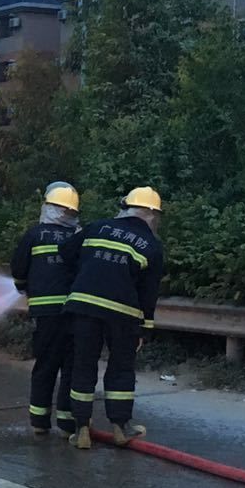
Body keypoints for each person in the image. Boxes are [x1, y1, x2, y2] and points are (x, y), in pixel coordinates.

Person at [60, 186, 165, 450]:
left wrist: (86, 270)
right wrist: (145, 328)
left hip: (84, 308)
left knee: (83, 366)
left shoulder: (97, 227)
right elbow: (149, 293)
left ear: (125, 207)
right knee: (121, 368)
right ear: (152, 215)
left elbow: (65, 251)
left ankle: (81, 429)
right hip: (124, 315)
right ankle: (120, 428)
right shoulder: (151, 245)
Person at [10, 181, 82, 439]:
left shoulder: (34, 234)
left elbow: (19, 267)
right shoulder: (79, 236)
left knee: (46, 365)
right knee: (71, 367)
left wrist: (23, 288)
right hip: (74, 312)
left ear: (49, 207)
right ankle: (66, 423)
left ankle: (40, 421)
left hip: (45, 315)